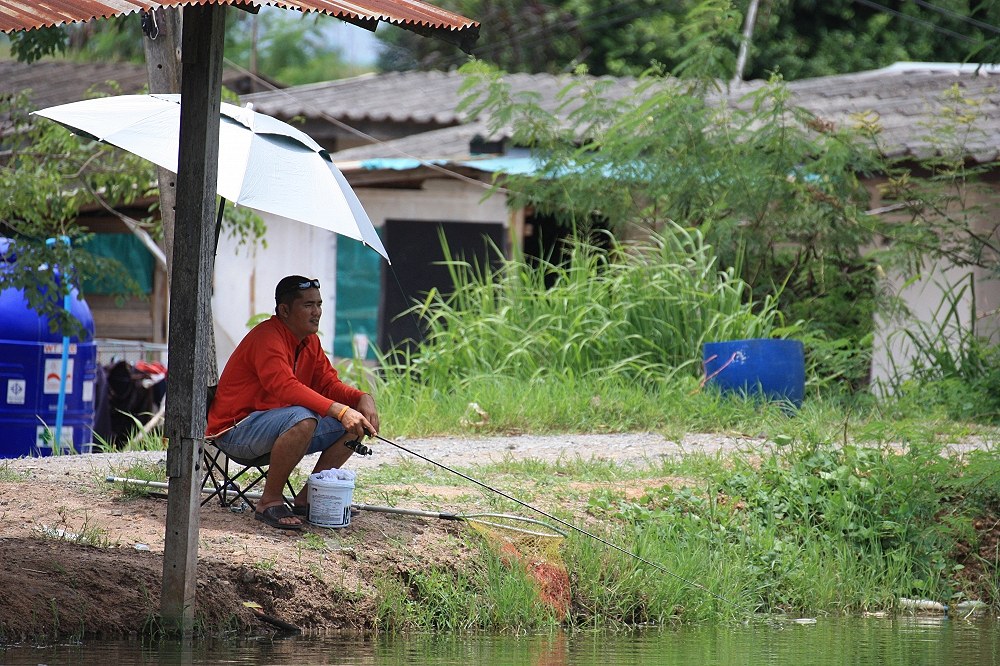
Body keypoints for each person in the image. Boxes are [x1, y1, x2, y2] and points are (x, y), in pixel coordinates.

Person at [206, 275, 379, 530]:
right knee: (303, 416)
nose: (317, 312)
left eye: (319, 304)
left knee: (355, 424)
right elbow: (283, 385)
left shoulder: (310, 341)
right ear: (284, 310)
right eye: (308, 305)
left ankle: (309, 499)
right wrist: (339, 410)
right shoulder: (266, 336)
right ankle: (269, 501)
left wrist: (360, 398)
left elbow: (329, 384)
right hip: (237, 431)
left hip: (276, 426)